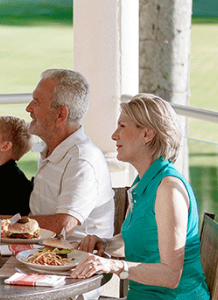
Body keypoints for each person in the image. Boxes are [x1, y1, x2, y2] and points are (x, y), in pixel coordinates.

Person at [0, 69, 114, 300]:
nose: (28, 108)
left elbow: (62, 225)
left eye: (37, 102)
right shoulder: (50, 150)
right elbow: (30, 205)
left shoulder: (82, 159)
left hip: (68, 275)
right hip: (35, 259)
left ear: (60, 115)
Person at [71, 94, 210, 300]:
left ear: (147, 134)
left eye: (122, 126)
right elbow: (146, 243)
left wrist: (114, 265)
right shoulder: (143, 183)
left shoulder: (168, 189)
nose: (114, 136)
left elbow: (171, 275)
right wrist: (106, 244)